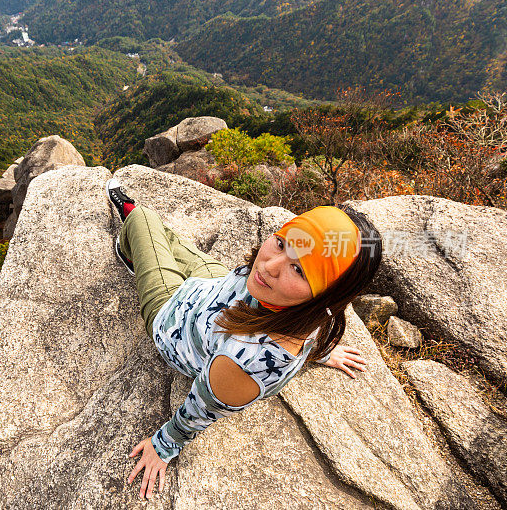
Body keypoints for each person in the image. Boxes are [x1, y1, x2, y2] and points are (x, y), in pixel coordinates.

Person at [105, 177, 383, 500]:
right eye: (281, 242)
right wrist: (318, 351)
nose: (269, 266)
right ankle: (148, 248)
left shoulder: (244, 361)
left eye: (299, 270)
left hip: (172, 318)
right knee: (164, 232)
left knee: (141, 219)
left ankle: (131, 252)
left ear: (325, 298)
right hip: (217, 288)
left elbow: (202, 403)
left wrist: (164, 444)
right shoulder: (305, 310)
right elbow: (307, 322)